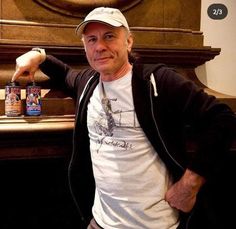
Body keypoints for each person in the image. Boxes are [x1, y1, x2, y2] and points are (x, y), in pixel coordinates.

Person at [12, 7, 235, 229]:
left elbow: (223, 119)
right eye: (91, 39)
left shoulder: (158, 81)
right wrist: (38, 55)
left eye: (109, 36)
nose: (100, 46)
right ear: (85, 47)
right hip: (99, 223)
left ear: (128, 42)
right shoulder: (87, 82)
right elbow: (64, 73)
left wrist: (189, 185)